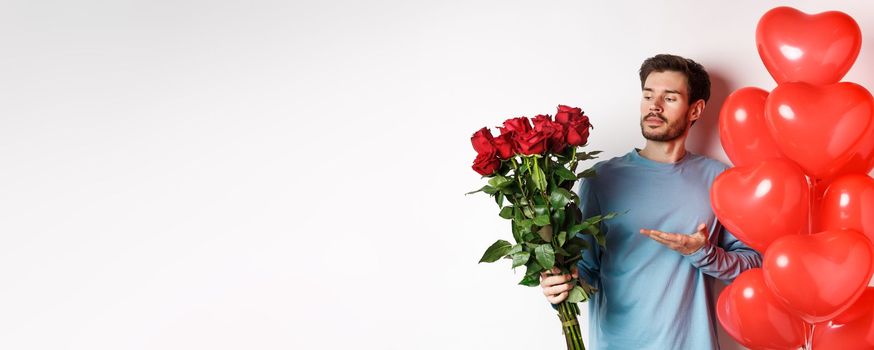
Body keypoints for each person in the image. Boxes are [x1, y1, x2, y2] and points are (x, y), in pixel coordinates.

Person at [540, 54, 762, 350]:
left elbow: (755, 268)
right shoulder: (601, 178)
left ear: (695, 109)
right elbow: (587, 273)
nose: (654, 106)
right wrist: (560, 287)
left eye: (669, 98)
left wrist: (704, 253)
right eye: (648, 96)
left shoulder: (720, 180)